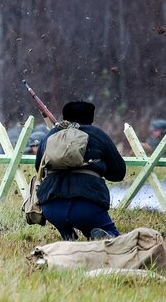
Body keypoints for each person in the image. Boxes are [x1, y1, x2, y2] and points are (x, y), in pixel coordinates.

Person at [35, 101, 126, 241]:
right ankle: (103, 235)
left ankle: (68, 235)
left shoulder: (51, 136)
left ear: (65, 117)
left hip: (51, 206)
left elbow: (39, 169)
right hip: (88, 207)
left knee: (64, 216)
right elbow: (118, 173)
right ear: (91, 118)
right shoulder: (98, 134)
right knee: (115, 240)